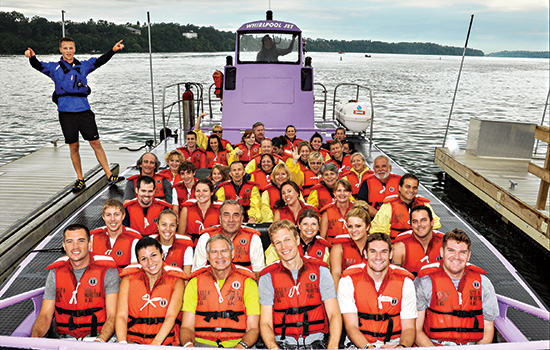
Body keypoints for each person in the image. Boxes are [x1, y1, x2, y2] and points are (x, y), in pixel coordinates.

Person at [25, 38, 125, 192]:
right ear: (60, 50)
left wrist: (113, 50)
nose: (68, 51)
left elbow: (99, 62)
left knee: (96, 143)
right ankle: (80, 178)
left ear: (75, 49)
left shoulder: (83, 66)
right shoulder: (54, 68)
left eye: (71, 48)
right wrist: (32, 57)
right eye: (65, 48)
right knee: (74, 146)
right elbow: (38, 66)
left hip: (84, 111)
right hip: (66, 113)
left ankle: (110, 175)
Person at [259, 220, 342, 349]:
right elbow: (265, 323)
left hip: (317, 343)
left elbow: (334, 314)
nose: (284, 247)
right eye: (278, 243)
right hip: (282, 344)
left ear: (297, 239)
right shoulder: (267, 277)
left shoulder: (321, 271)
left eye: (287, 240)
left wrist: (333, 345)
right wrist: (273, 347)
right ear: (274, 247)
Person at [31, 224, 119, 341]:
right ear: (64, 246)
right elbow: (45, 315)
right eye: (70, 242)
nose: (75, 247)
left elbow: (112, 317)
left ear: (89, 244)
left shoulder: (108, 271)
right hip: (64, 339)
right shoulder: (55, 272)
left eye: (81, 241)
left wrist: (99, 342)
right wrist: (33, 341)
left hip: (98, 338)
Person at [415, 229, 498, 346]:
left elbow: (488, 329)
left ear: (468, 256)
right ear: (442, 252)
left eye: (462, 252)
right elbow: (416, 329)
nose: (456, 257)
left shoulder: (484, 284)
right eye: (451, 251)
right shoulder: (424, 282)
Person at [338, 232, 417, 348]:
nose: (378, 257)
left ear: (391, 254)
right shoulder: (348, 280)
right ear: (365, 254)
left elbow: (409, 328)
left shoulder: (406, 281)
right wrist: (369, 348)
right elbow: (351, 327)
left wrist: (401, 347)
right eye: (373, 251)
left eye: (383, 252)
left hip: (395, 343)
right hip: (361, 344)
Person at [180, 234, 260, 348]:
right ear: (207, 256)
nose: (219, 256)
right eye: (214, 252)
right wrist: (188, 345)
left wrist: (241, 346)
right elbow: (186, 327)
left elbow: (253, 328)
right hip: (201, 344)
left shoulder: (248, 282)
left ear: (232, 254)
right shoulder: (195, 282)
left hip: (239, 345)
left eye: (224, 251)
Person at [116, 237, 186, 345]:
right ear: (138, 261)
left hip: (163, 344)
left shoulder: (176, 280)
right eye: (144, 259)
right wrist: (122, 344)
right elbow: (121, 315)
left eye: (154, 255)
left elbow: (171, 316)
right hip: (133, 343)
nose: (150, 262)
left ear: (162, 254)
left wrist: (155, 345)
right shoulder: (128, 280)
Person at [192, 200, 266, 277]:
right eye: (226, 215)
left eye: (236, 215)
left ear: (242, 219)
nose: (231, 219)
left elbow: (258, 274)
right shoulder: (206, 238)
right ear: (220, 219)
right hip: (213, 285)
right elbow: (198, 273)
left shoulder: (253, 238)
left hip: (244, 286)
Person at [370, 173, 441, 242]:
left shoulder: (424, 205)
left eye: (414, 188)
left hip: (419, 246)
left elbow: (435, 226)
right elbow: (378, 231)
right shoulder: (389, 206)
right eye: (408, 187)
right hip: (395, 247)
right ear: (400, 188)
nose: (411, 190)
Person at [90, 199, 142, 271]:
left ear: (123, 216)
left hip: (124, 280)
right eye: (108, 215)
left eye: (116, 214)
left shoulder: (134, 239)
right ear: (103, 217)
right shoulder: (93, 237)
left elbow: (135, 270)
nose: (112, 219)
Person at [265, 208, 331, 265]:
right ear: (299, 225)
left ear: (318, 227)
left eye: (313, 224)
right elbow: (270, 266)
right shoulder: (283, 242)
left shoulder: (323, 247)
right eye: (305, 224)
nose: (309, 228)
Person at [392, 205, 443, 276]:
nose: (419, 224)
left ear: (432, 222)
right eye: (415, 221)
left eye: (423, 220)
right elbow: (394, 278)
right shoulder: (400, 247)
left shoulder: (445, 244)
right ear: (411, 225)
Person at [330, 204, 370, 291]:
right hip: (347, 294)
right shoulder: (339, 248)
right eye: (350, 226)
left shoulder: (376, 246)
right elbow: (335, 275)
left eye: (358, 226)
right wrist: (338, 299)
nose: (353, 230)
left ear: (367, 227)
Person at [178, 179, 222, 245]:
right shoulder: (186, 209)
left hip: (212, 248)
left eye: (205, 191)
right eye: (198, 191)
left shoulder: (220, 210)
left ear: (212, 192)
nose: (201, 194)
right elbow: (180, 236)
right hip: (192, 249)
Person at [150, 210, 194, 275]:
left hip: (177, 284)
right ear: (157, 225)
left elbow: (186, 278)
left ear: (176, 226)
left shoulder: (186, 247)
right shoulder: (148, 244)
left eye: (172, 225)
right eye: (164, 224)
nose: (168, 229)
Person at [320, 179, 353, 244]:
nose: (342, 193)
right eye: (339, 191)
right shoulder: (327, 212)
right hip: (332, 249)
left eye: (345, 190)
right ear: (334, 193)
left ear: (350, 194)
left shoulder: (357, 210)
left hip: (353, 248)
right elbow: (322, 238)